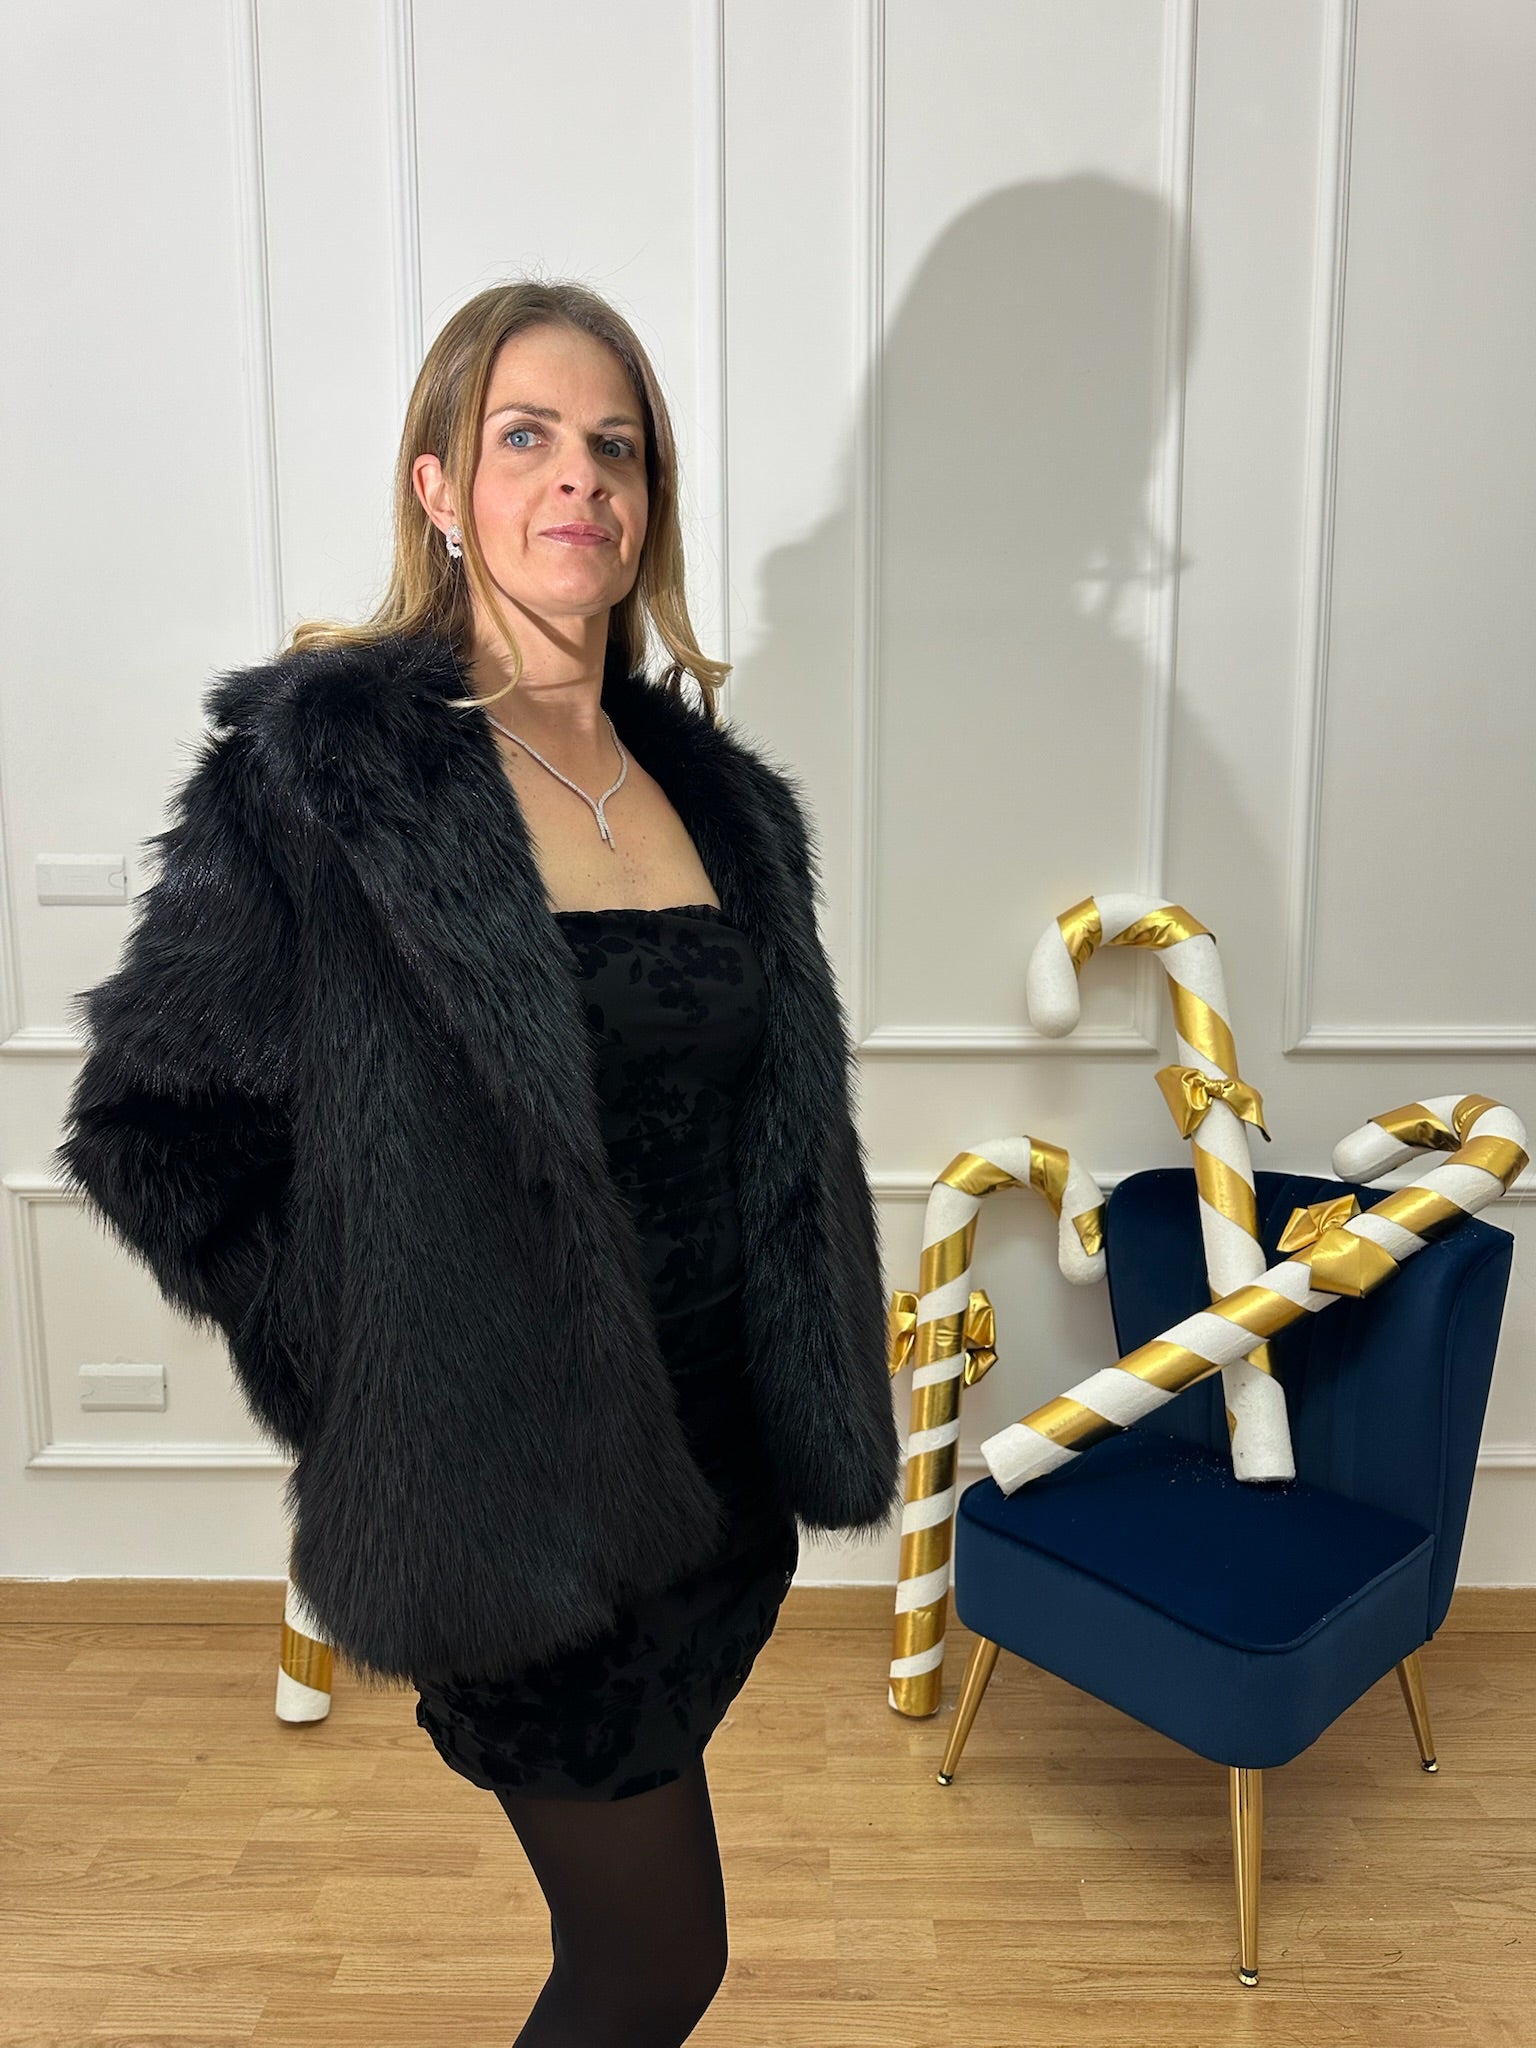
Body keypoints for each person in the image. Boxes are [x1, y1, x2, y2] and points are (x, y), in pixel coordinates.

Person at [54, 278, 901, 2045]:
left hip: (718, 1486)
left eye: (616, 446)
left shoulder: (722, 801)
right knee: (654, 1964)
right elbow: (154, 1127)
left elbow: (764, 1132)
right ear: (440, 486)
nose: (579, 477)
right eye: (526, 437)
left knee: (638, 1953)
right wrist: (387, 1375)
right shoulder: (326, 778)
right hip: (520, 1517)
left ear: (649, 500)